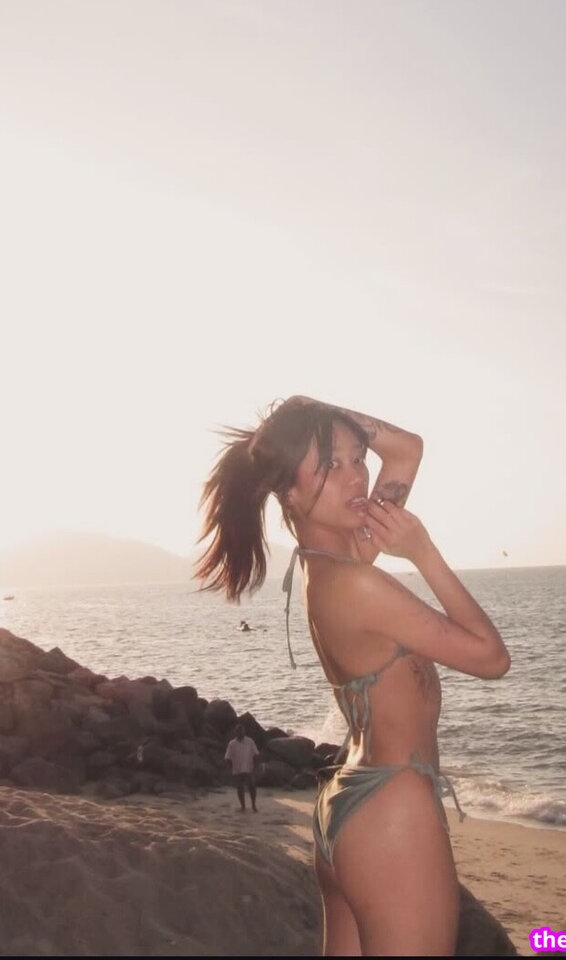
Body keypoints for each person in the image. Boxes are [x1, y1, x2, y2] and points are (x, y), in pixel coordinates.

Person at [196, 396, 510, 956]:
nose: (357, 476)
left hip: (346, 806)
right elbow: (491, 658)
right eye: (330, 465)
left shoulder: (332, 563)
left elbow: (407, 449)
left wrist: (316, 413)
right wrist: (423, 552)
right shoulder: (358, 584)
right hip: (394, 810)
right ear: (290, 493)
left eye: (357, 458)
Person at [224, 723, 259, 812]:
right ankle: (243, 806)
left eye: (242, 731)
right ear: (236, 732)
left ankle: (253, 805)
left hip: (249, 767)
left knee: (252, 786)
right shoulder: (232, 743)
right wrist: (230, 768)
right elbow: (227, 757)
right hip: (237, 768)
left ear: (244, 732)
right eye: (239, 732)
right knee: (240, 788)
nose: (241, 733)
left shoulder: (250, 741)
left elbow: (256, 754)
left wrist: (255, 767)